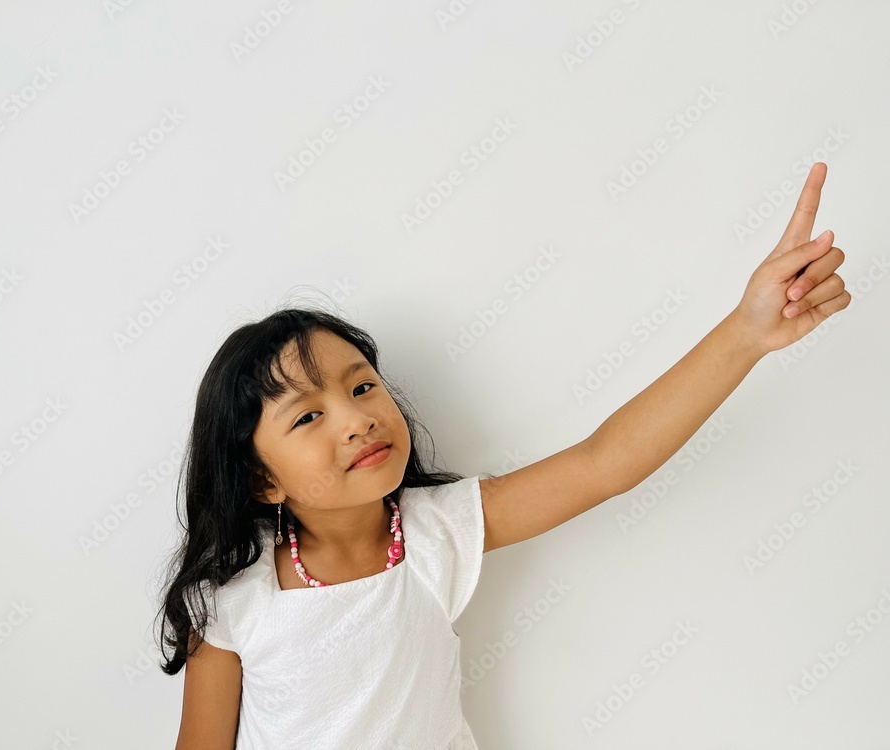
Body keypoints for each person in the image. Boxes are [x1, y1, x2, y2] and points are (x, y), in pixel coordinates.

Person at [159, 161, 850, 749]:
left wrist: (746, 334)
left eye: (362, 386)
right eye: (309, 415)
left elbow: (605, 462)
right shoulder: (231, 603)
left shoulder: (433, 534)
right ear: (260, 479)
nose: (357, 419)